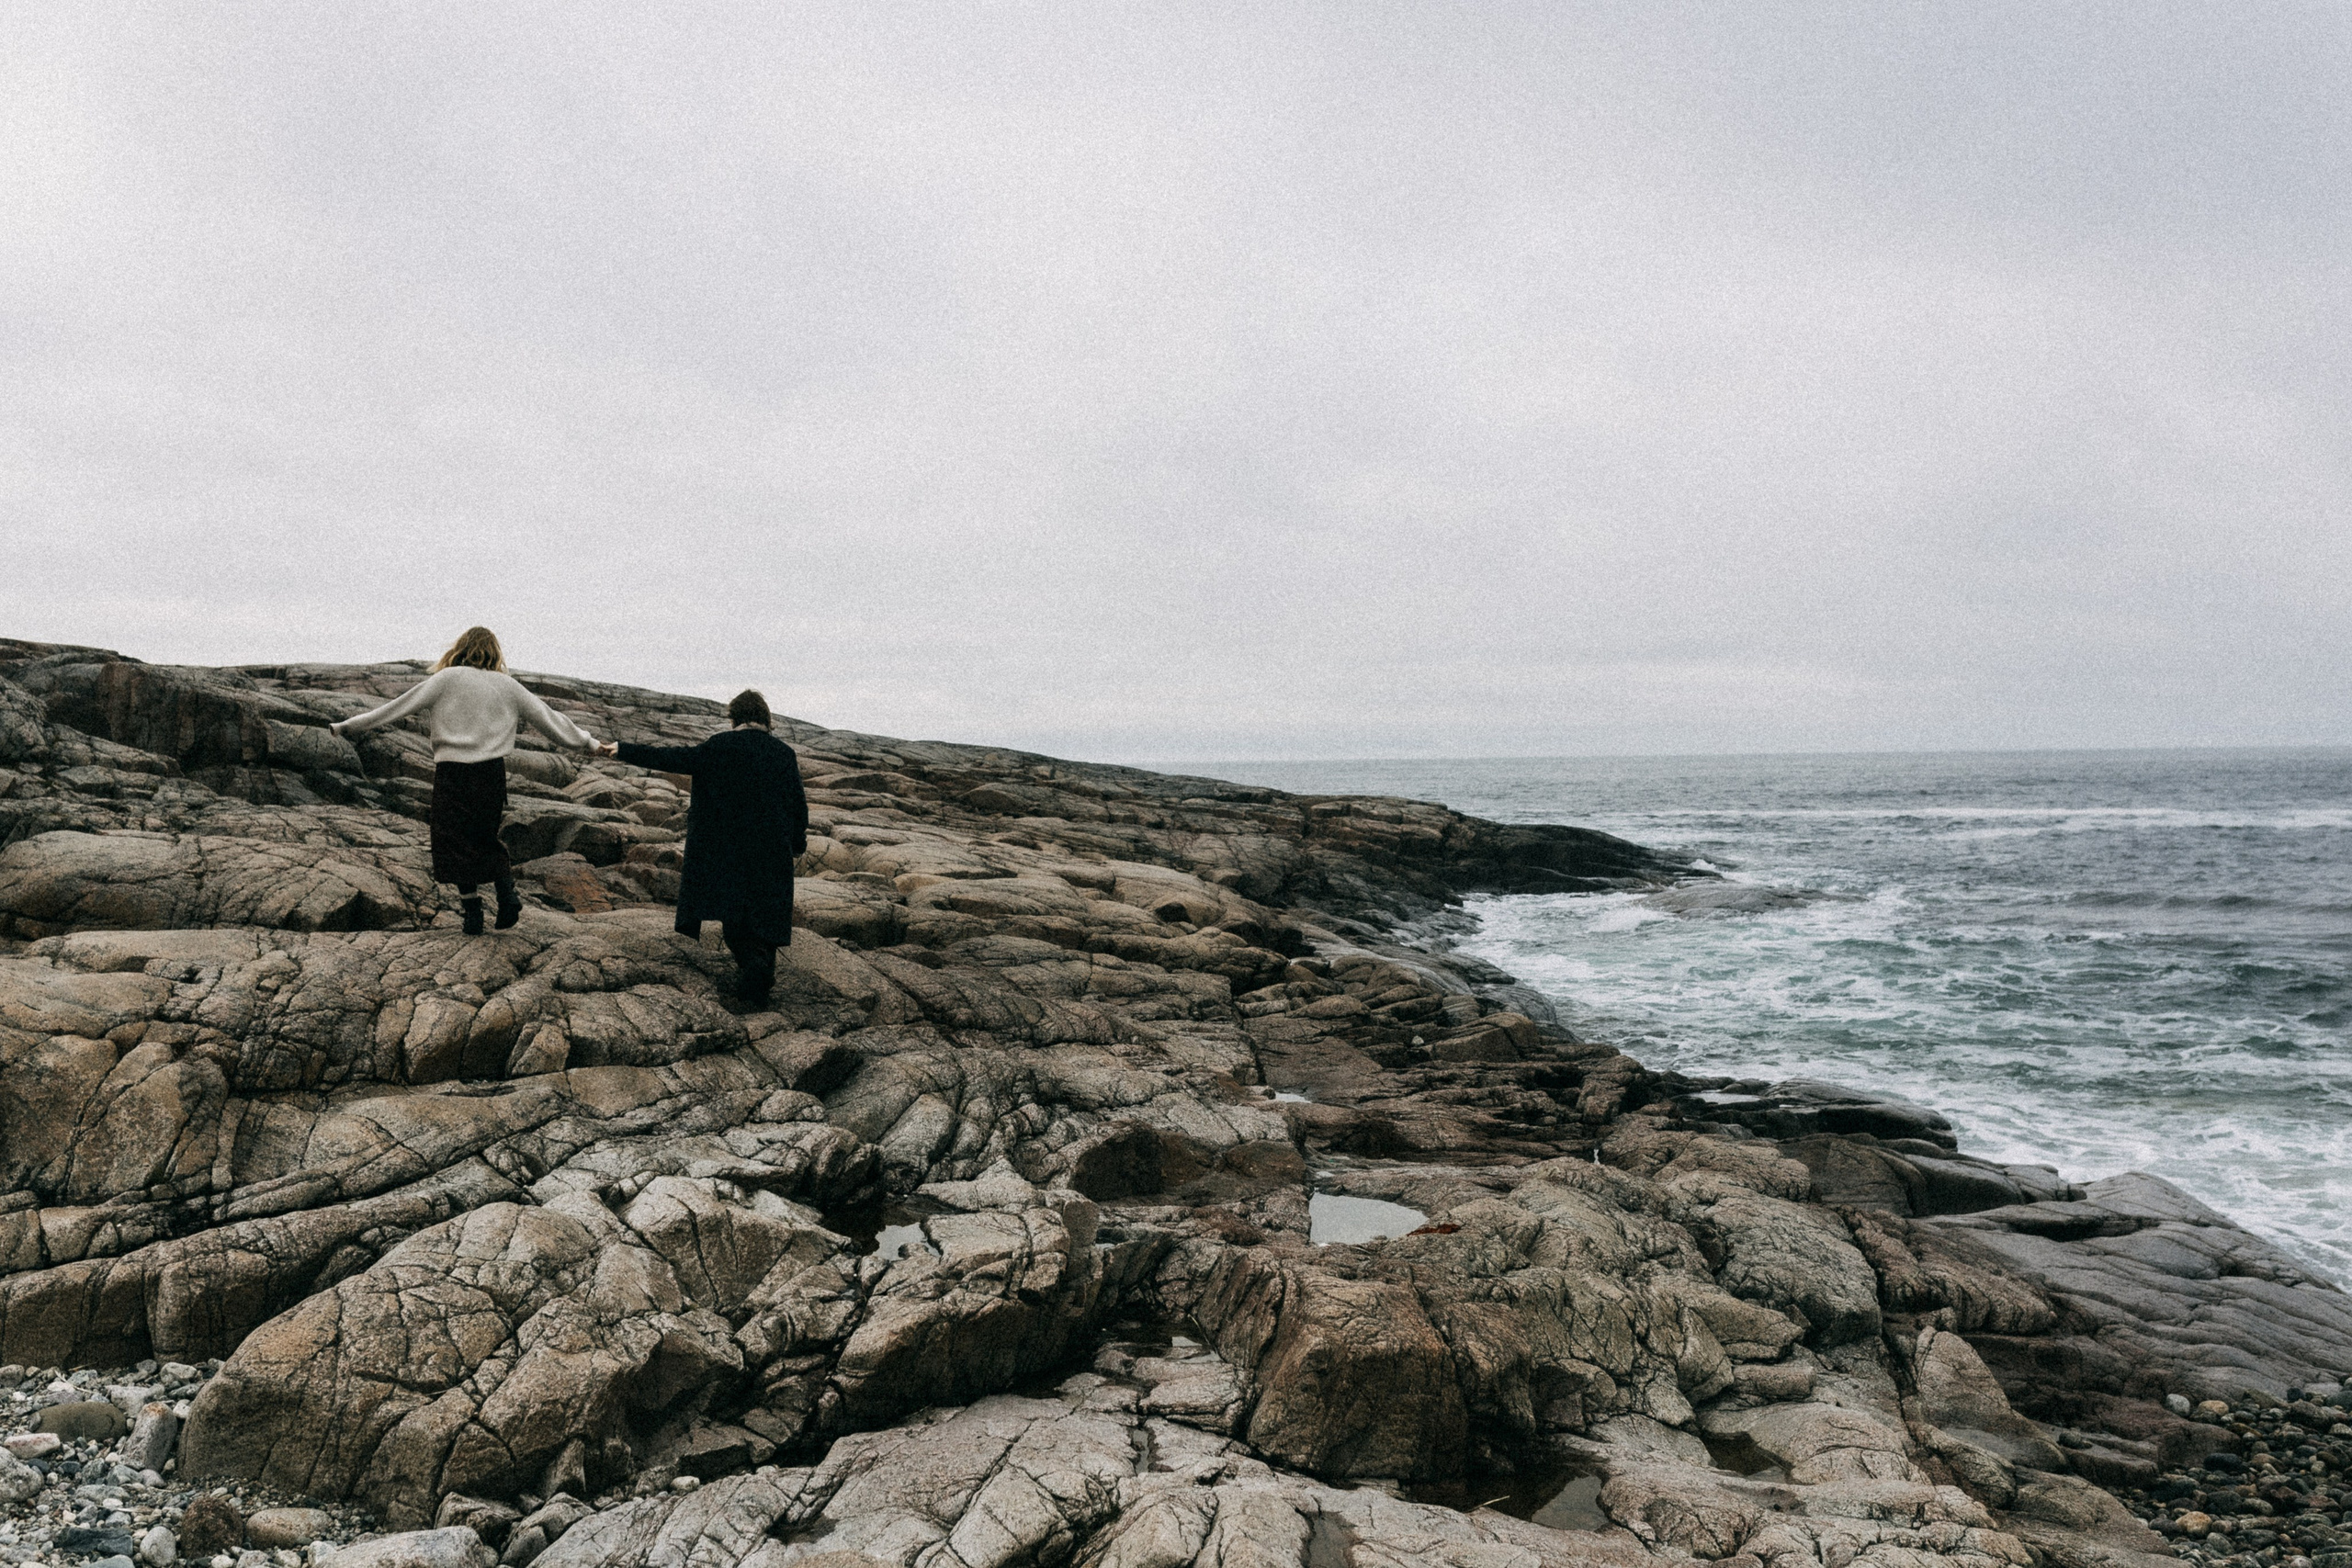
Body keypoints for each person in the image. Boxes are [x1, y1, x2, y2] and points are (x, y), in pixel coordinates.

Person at [332, 626, 603, 935]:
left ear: (460, 648)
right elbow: (549, 718)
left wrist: (346, 725)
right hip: (490, 774)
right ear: (495, 652)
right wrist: (589, 743)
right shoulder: (507, 685)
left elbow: (395, 708)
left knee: (452, 840)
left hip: (453, 774)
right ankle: (507, 895)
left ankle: (473, 914)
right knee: (484, 837)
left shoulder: (446, 679)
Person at [600, 689, 808, 1004]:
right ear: (766, 718)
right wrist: (797, 844)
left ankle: (754, 972)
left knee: (735, 920)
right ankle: (759, 974)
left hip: (727, 852)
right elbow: (798, 807)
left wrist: (623, 749)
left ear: (734, 718)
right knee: (764, 919)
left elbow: (672, 757)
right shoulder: (784, 754)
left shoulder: (719, 746)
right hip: (771, 851)